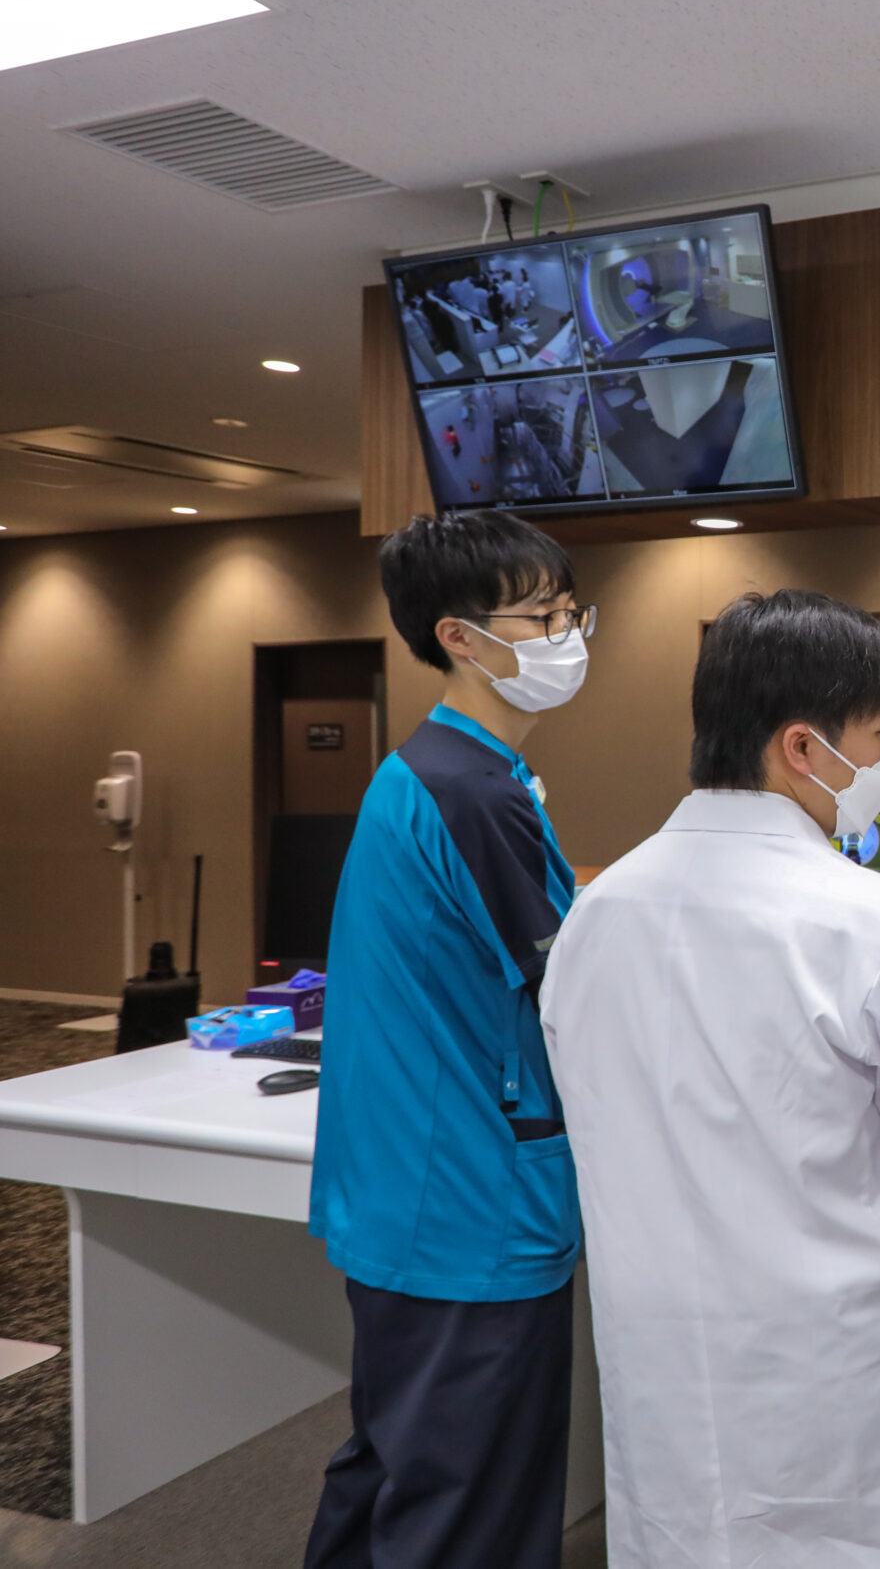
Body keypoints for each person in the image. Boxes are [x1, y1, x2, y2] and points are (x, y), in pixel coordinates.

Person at [541, 589, 880, 1569]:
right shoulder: (876, 924)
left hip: (668, 1367)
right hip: (843, 1377)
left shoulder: (594, 917)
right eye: (876, 737)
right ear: (802, 747)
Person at [305, 511, 593, 1569]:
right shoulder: (470, 791)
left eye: (572, 613)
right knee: (470, 1512)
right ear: (461, 638)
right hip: (470, 1208)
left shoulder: (432, 771)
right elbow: (576, 987)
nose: (567, 637)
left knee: (396, 1472)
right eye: (542, 618)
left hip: (410, 1193)